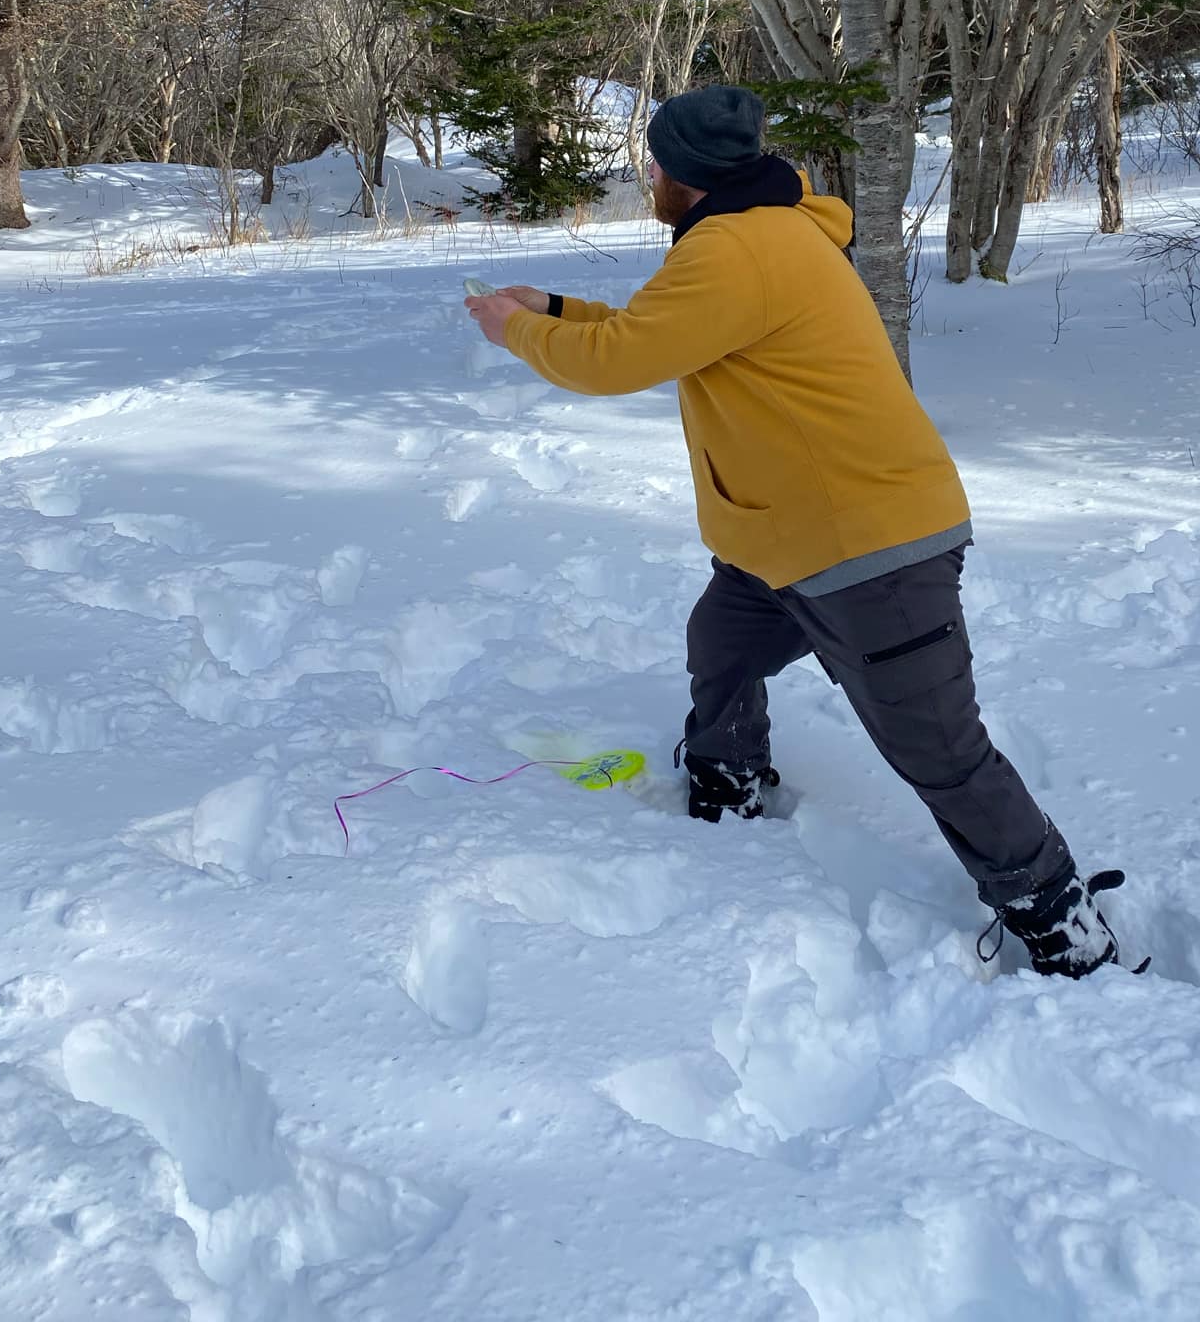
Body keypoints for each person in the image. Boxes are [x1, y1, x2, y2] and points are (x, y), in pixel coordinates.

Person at [465, 85, 1129, 978]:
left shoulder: (739, 248)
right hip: (786, 539)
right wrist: (548, 309)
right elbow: (652, 330)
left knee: (937, 748)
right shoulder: (752, 234)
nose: (649, 175)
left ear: (688, 175)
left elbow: (619, 359)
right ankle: (727, 777)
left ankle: (1055, 915)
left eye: (656, 163)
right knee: (724, 644)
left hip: (865, 546)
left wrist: (515, 334)